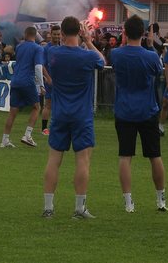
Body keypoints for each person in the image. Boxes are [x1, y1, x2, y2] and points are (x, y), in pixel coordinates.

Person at [42, 16, 105, 219]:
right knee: (83, 161)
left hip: (59, 114)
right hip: (82, 115)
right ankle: (79, 208)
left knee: (54, 160)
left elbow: (47, 60)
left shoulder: (53, 53)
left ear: (61, 33)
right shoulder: (87, 56)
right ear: (79, 31)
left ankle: (48, 208)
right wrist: (88, 40)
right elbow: (102, 61)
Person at [110, 15, 167, 213]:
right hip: (147, 111)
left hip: (124, 111)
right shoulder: (151, 55)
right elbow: (157, 71)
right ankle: (160, 199)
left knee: (125, 156)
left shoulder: (116, 54)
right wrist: (151, 46)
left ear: (124, 33)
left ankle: (128, 202)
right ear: (143, 34)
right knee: (155, 156)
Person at [0, 24, 44, 148]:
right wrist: (41, 85)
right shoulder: (38, 48)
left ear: (25, 34)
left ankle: (5, 139)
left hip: (15, 81)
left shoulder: (19, 47)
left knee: (13, 111)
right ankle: (27, 135)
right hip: (27, 81)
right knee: (36, 107)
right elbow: (38, 67)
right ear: (36, 35)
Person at [41, 24, 61, 136]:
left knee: (60, 104)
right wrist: (48, 78)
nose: (57, 37)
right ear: (50, 34)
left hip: (61, 81)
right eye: (55, 34)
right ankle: (44, 128)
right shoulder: (46, 49)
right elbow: (42, 65)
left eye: (58, 34)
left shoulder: (62, 47)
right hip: (51, 81)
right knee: (48, 104)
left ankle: (57, 127)